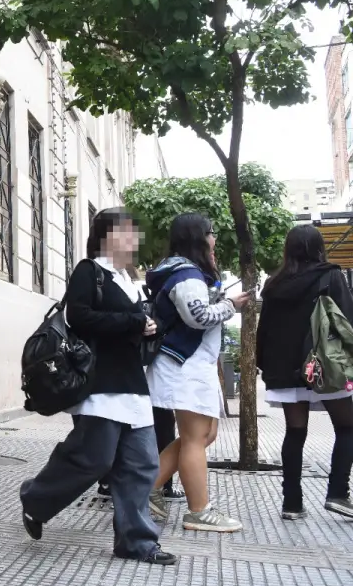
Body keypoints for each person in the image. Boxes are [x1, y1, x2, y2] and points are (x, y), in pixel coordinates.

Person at [20, 209, 178, 566]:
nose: (134, 240)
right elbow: (78, 316)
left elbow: (130, 325)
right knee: (93, 459)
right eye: (127, 233)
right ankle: (35, 499)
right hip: (100, 383)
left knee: (141, 465)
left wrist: (148, 326)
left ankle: (136, 542)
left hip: (133, 384)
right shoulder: (90, 271)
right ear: (108, 236)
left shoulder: (128, 279)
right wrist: (133, 321)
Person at [146, 213, 252, 532]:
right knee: (195, 438)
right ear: (198, 237)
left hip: (189, 365)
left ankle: (147, 489)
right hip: (184, 365)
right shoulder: (187, 274)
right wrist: (230, 305)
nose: (214, 239)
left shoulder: (184, 271)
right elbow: (198, 317)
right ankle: (198, 511)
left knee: (205, 435)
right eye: (211, 233)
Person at [257, 224, 353, 520]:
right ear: (318, 247)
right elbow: (346, 320)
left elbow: (265, 330)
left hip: (286, 369)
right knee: (348, 427)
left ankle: (292, 503)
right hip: (326, 366)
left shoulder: (274, 284)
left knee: (295, 432)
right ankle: (338, 493)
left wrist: (265, 365)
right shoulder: (331, 275)